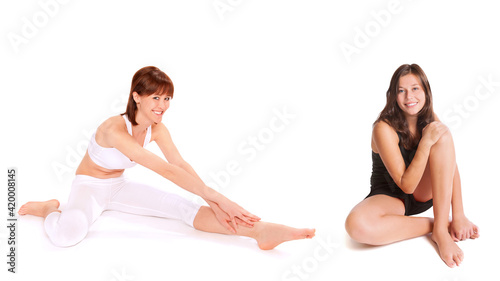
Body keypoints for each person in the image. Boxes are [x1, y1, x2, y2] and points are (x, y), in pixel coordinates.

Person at [19, 66, 315, 248]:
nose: (162, 105)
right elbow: (163, 169)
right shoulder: (113, 128)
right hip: (89, 187)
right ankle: (49, 209)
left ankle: (260, 232)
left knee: (185, 208)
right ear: (136, 96)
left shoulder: (157, 130)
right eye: (156, 97)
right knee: (67, 236)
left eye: (167, 98)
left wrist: (212, 199)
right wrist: (219, 198)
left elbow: (180, 165)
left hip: (119, 187)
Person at [345, 64, 479, 268]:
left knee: (443, 136)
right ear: (393, 95)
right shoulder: (383, 128)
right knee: (355, 225)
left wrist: (459, 215)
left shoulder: (431, 119)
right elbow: (405, 185)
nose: (409, 96)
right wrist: (425, 143)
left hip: (424, 193)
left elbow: (451, 167)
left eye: (415, 88)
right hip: (391, 194)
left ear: (426, 91)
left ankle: (441, 232)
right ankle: (439, 225)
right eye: (401, 90)